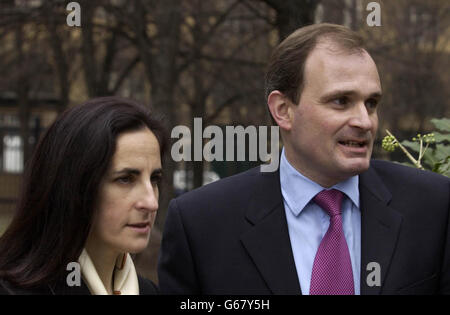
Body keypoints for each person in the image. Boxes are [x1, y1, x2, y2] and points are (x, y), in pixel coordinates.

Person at [157, 23, 450, 295]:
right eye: (341, 101)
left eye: (371, 103)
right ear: (283, 110)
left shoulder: (433, 207)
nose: (365, 121)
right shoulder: (201, 224)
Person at [0, 96, 167, 295]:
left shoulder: (150, 291)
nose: (151, 202)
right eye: (125, 179)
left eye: (154, 179)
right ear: (73, 187)